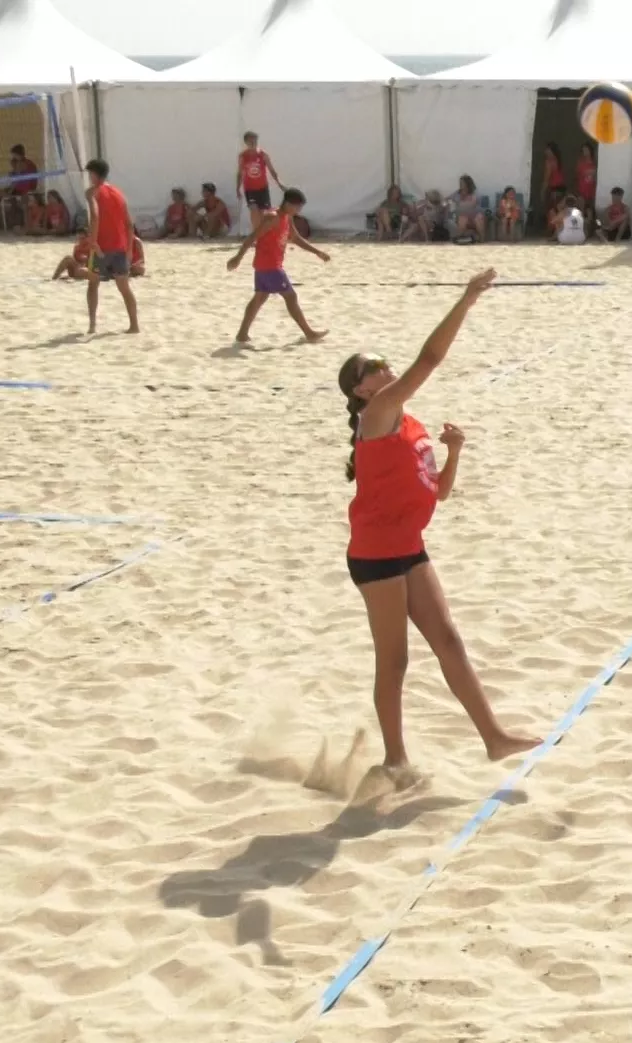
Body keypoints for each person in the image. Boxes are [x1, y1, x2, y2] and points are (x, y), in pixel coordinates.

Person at [338, 268, 543, 775]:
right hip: (376, 555)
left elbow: (441, 492)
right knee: (396, 660)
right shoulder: (378, 413)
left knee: (448, 639)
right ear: (361, 390)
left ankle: (493, 737)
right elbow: (429, 360)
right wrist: (466, 302)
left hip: (408, 545)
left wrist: (455, 452)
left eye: (383, 364)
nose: (384, 370)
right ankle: (395, 759)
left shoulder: (409, 423)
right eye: (374, 367)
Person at [226, 187, 330, 345]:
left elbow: (295, 238)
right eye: (297, 206)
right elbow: (253, 237)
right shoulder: (272, 218)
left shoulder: (287, 217)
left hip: (266, 265)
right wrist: (238, 257)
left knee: (259, 298)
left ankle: (242, 334)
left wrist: (317, 252)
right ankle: (309, 333)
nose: (299, 210)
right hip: (270, 266)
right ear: (288, 204)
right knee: (290, 296)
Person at [83, 159, 139, 335]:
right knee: (124, 288)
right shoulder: (118, 193)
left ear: (94, 174)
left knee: (93, 285)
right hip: (120, 248)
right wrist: (129, 249)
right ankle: (134, 325)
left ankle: (92, 325)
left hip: (102, 248)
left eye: (89, 174)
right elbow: (130, 223)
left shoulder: (93, 192)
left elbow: (95, 216)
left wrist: (93, 241)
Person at [237, 131, 282, 229]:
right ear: (246, 142)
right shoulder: (243, 156)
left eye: (254, 141)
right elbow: (240, 173)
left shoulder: (263, 154)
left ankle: (263, 234)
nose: (253, 143)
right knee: (253, 210)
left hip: (262, 187)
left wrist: (279, 183)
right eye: (250, 141)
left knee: (263, 212)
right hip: (250, 188)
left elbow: (272, 170)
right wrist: (237, 189)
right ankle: (255, 235)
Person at [8, 144, 40, 232]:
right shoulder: (29, 162)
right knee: (22, 206)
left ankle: (24, 226)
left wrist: (9, 191)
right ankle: (22, 224)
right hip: (29, 187)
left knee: (24, 207)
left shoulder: (21, 164)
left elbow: (16, 180)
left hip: (24, 188)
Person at [451, 175, 485, 243]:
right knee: (463, 218)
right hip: (463, 215)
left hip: (475, 215)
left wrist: (459, 204)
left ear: (468, 183)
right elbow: (448, 200)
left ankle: (482, 240)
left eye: (463, 183)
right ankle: (459, 238)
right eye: (460, 183)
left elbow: (473, 204)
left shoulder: (475, 192)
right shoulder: (457, 193)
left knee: (479, 217)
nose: (461, 184)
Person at [576, 143, 597, 210]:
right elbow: (579, 175)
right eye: (583, 150)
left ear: (590, 150)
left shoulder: (594, 162)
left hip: (591, 191)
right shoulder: (581, 162)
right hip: (582, 190)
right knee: (581, 210)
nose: (585, 152)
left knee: (590, 210)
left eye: (586, 150)